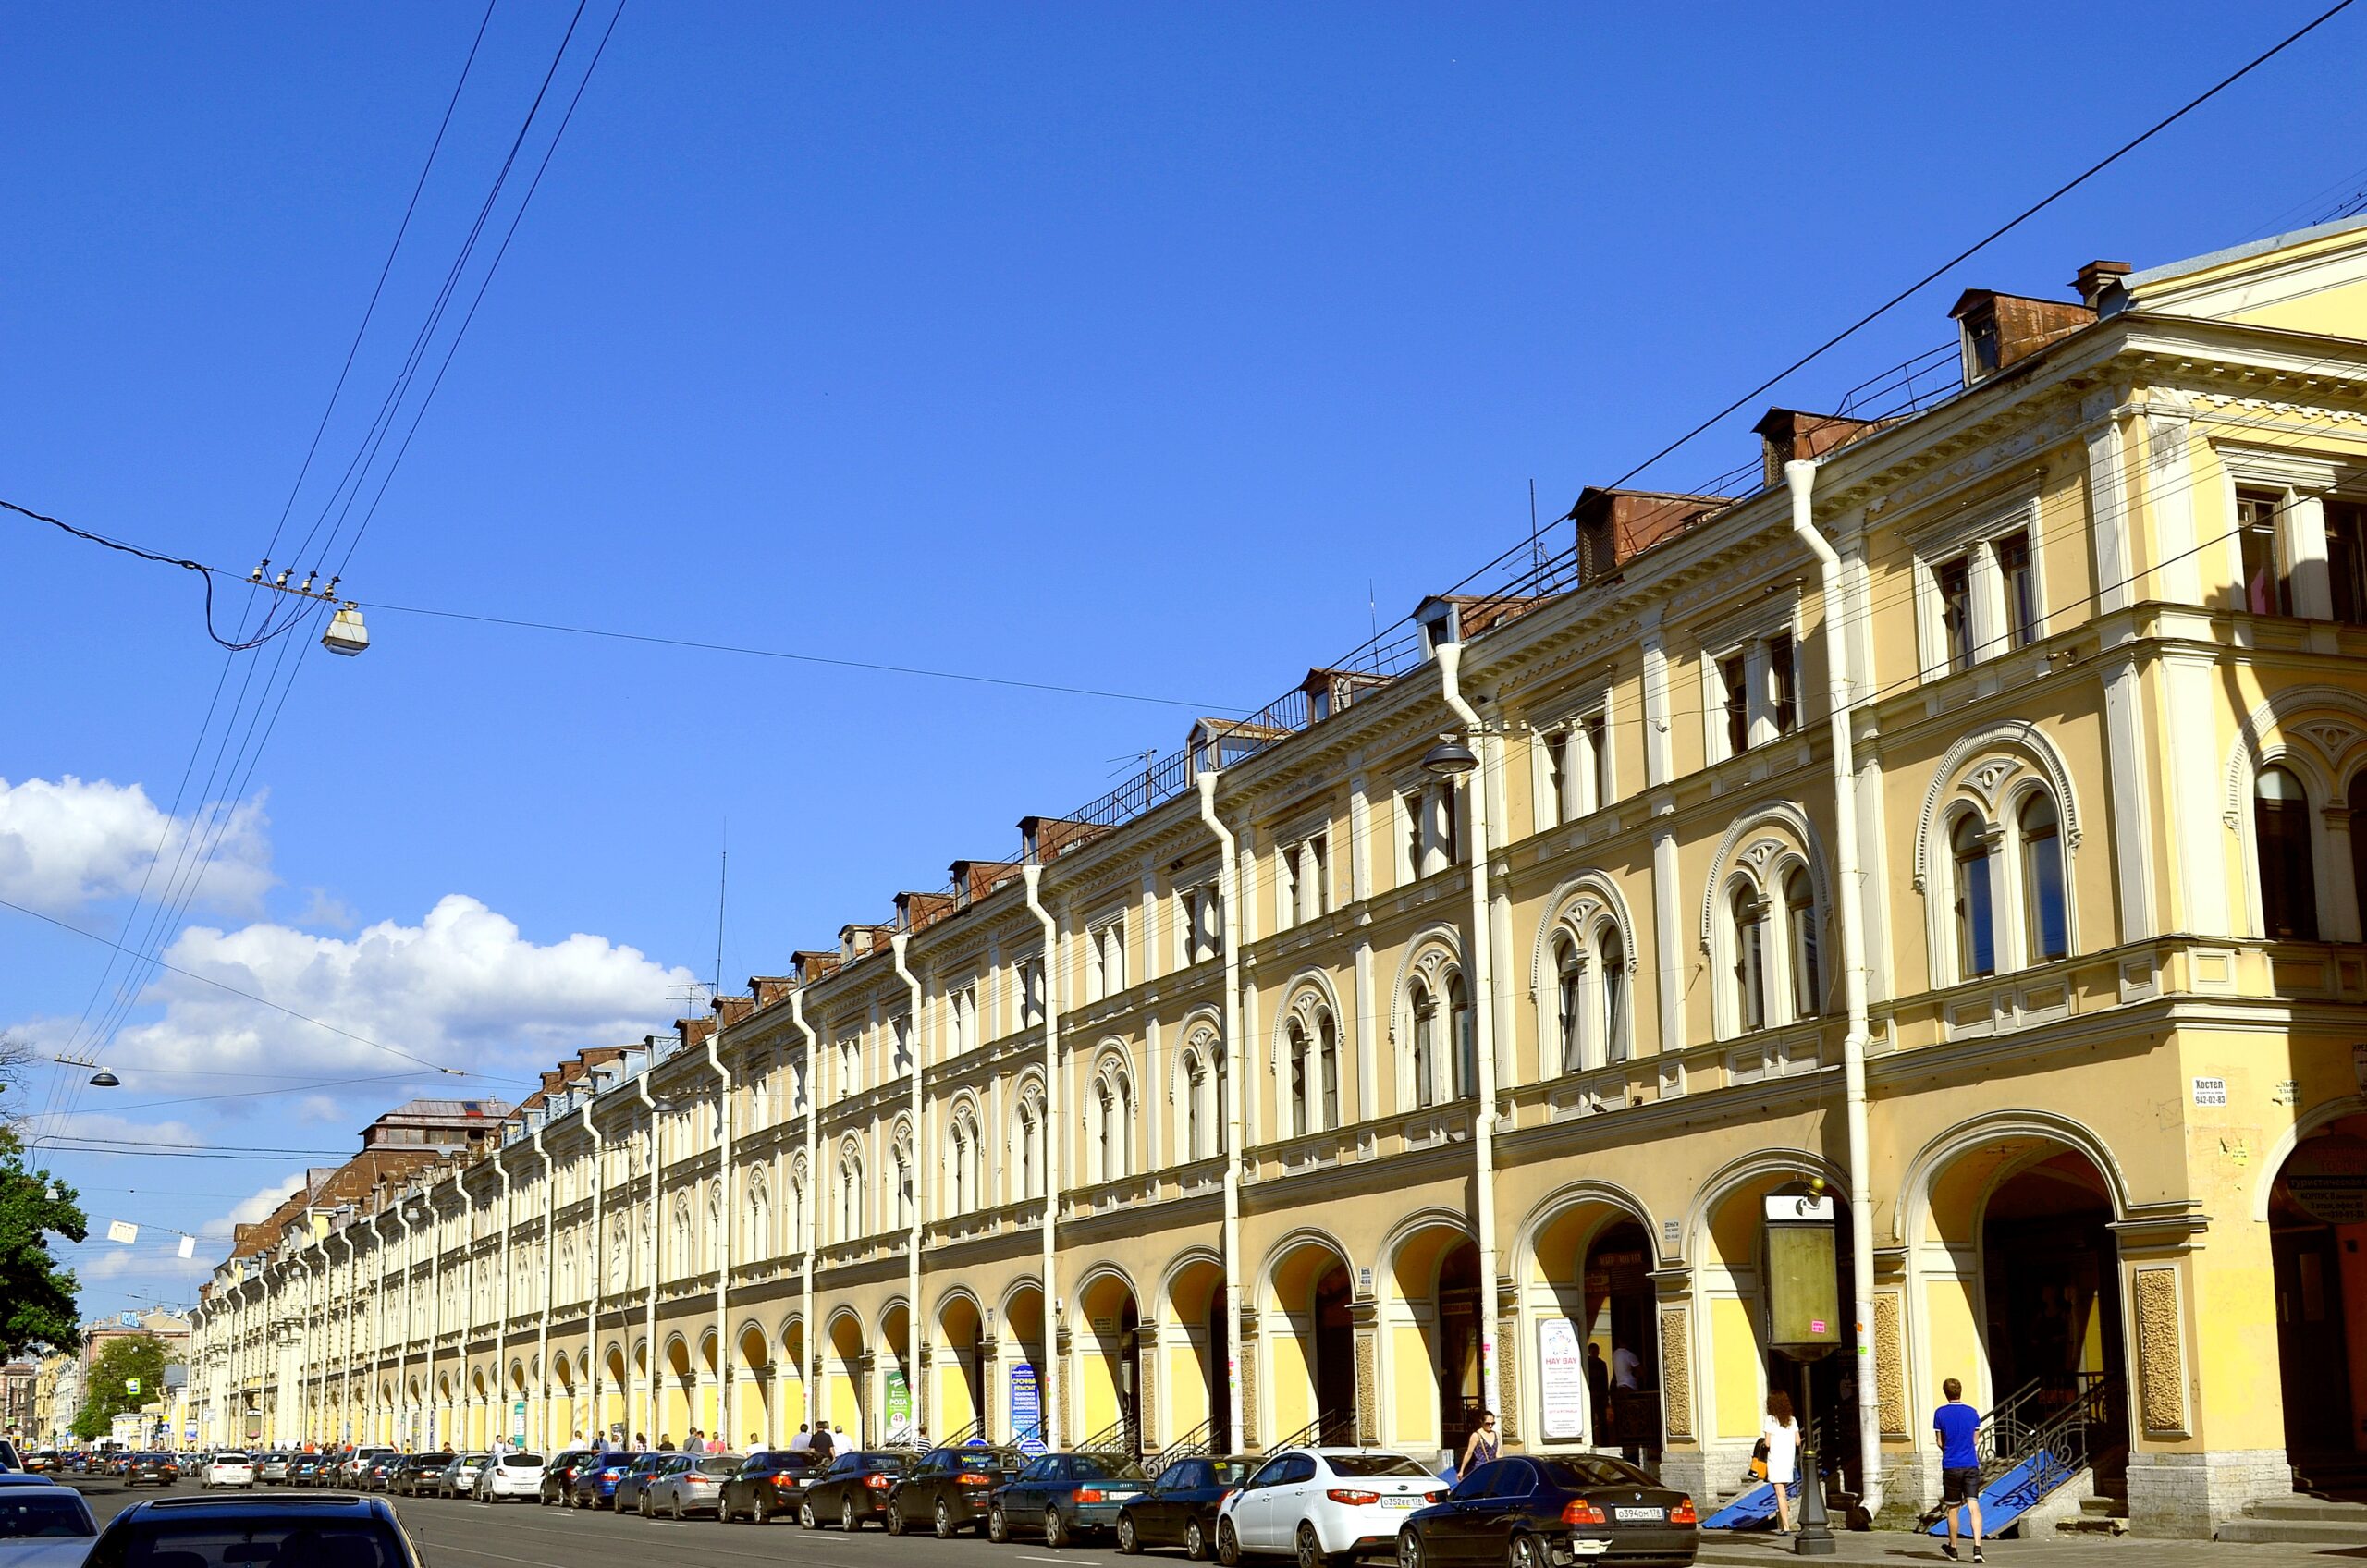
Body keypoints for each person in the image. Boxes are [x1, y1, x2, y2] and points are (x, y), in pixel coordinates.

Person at [1934, 1378, 1983, 1563]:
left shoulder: (1940, 1413)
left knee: (1953, 1509)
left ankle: (1953, 1548)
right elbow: (1975, 1440)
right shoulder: (1972, 1412)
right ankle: (1977, 1548)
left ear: (1945, 1393)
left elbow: (1940, 1442)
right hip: (1970, 1464)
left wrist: (1949, 1449)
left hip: (1951, 1465)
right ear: (1960, 1391)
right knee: (1973, 1505)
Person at [1761, 1390, 1801, 1536]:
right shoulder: (1792, 1420)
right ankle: (1785, 1521)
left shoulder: (1770, 1420)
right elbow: (1798, 1441)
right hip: (1788, 1460)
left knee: (1780, 1494)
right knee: (1783, 1492)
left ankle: (1786, 1527)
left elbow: (1767, 1443)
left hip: (1775, 1460)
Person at [1584, 1344, 1613, 1445]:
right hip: (1591, 1395)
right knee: (1591, 1419)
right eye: (1594, 1351)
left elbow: (1605, 1380)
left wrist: (1606, 1396)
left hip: (1599, 1395)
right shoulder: (1587, 1363)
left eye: (1597, 1351)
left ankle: (1604, 1442)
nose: (1596, 1353)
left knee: (1602, 1420)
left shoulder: (1601, 1364)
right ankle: (1593, 1440)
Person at [1458, 1409, 1499, 1478]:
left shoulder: (1496, 1435)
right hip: (1480, 1469)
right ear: (1482, 1422)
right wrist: (1461, 1471)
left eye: (1493, 1423)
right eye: (1488, 1423)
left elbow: (1499, 1455)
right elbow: (1469, 1453)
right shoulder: (1476, 1435)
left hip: (1493, 1469)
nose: (1491, 1425)